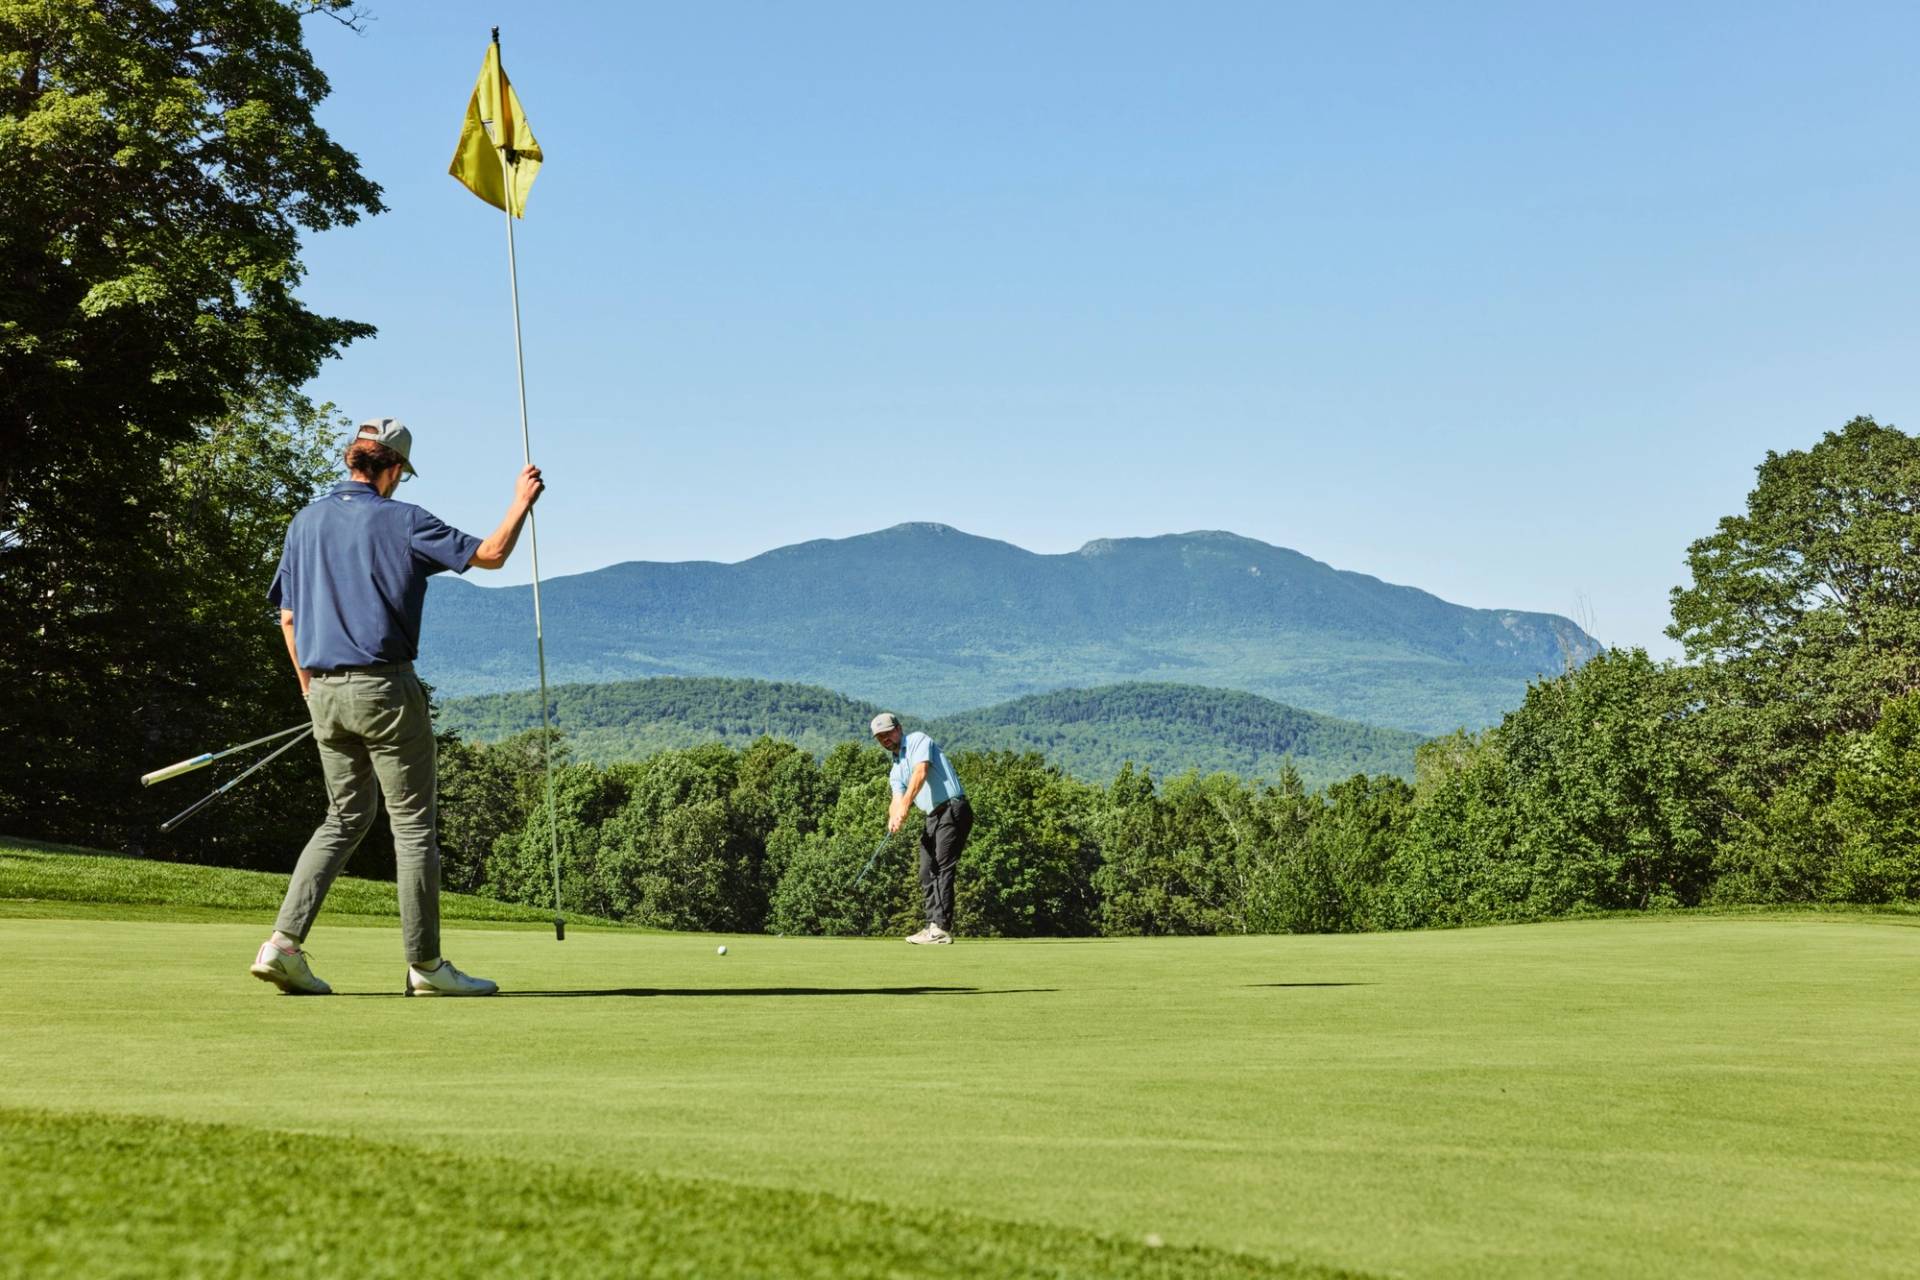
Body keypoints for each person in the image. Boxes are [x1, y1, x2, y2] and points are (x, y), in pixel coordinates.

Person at [249, 418, 544, 996]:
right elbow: (490, 555)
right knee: (412, 831)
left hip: (323, 693)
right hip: (386, 689)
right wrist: (521, 501)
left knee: (343, 820)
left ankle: (280, 947)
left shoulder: (304, 522)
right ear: (391, 470)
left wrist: (310, 688)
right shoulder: (405, 519)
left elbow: (287, 617)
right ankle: (427, 968)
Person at [871, 712, 972, 945]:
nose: (885, 739)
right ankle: (931, 926)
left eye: (888, 733)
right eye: (880, 737)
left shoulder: (918, 740)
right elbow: (896, 797)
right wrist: (894, 817)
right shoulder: (895, 768)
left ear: (898, 729)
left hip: (953, 807)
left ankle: (942, 928)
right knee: (926, 869)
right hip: (932, 815)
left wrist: (906, 804)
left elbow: (921, 772)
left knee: (943, 865)